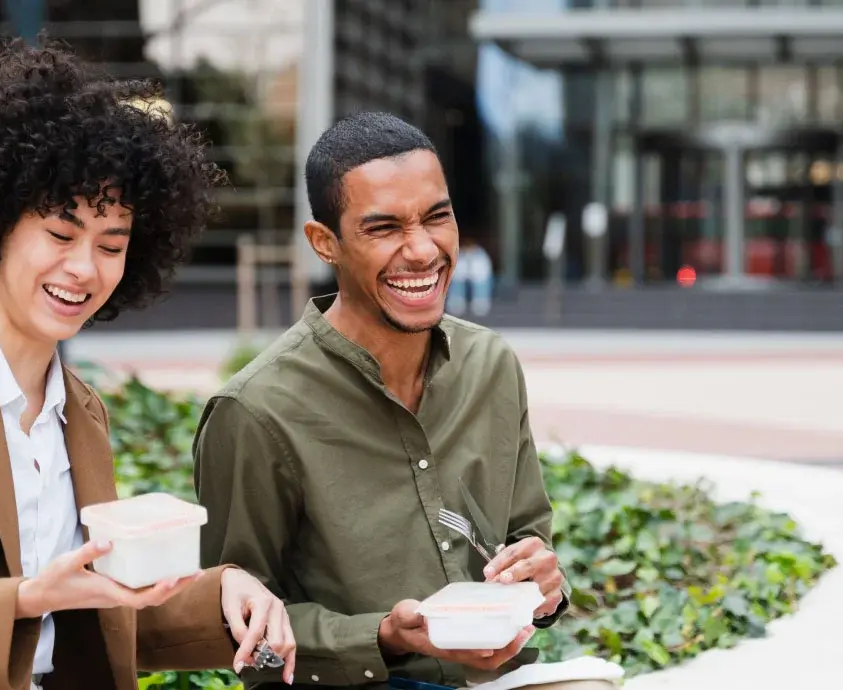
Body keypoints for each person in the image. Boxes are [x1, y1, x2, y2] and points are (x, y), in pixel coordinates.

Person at [0, 40, 295, 690]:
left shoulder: (80, 410)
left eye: (112, 244)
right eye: (60, 233)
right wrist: (22, 600)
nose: (84, 268)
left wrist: (228, 596)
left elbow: (98, 610)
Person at [194, 112, 611, 690]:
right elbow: (234, 626)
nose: (421, 250)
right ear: (325, 244)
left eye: (437, 217)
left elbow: (527, 536)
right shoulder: (255, 411)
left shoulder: (490, 365)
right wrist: (383, 638)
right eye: (383, 227)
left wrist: (542, 580)